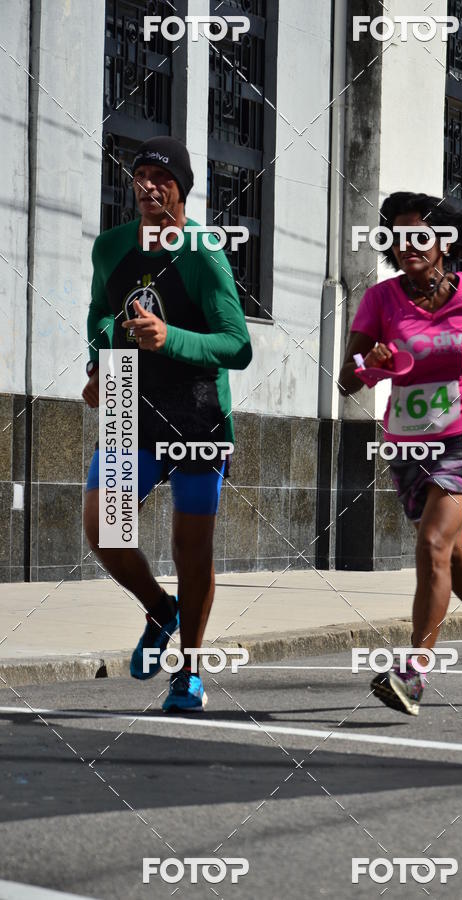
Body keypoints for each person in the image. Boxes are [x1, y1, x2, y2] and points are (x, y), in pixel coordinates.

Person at [338, 192, 462, 716]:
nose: (408, 244)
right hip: (408, 441)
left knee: (432, 543)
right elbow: (346, 379)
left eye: (419, 235)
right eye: (398, 236)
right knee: (449, 554)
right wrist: (372, 361)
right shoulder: (381, 300)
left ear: (442, 243)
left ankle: (414, 673)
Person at [82, 136, 252, 712]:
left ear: (181, 189)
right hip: (136, 408)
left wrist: (168, 338)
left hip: (200, 415)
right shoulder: (110, 249)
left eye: (162, 177)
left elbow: (238, 345)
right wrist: (102, 364)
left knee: (191, 550)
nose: (149, 185)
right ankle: (161, 609)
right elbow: (100, 315)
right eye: (141, 175)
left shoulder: (203, 251)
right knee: (104, 522)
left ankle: (191, 670)